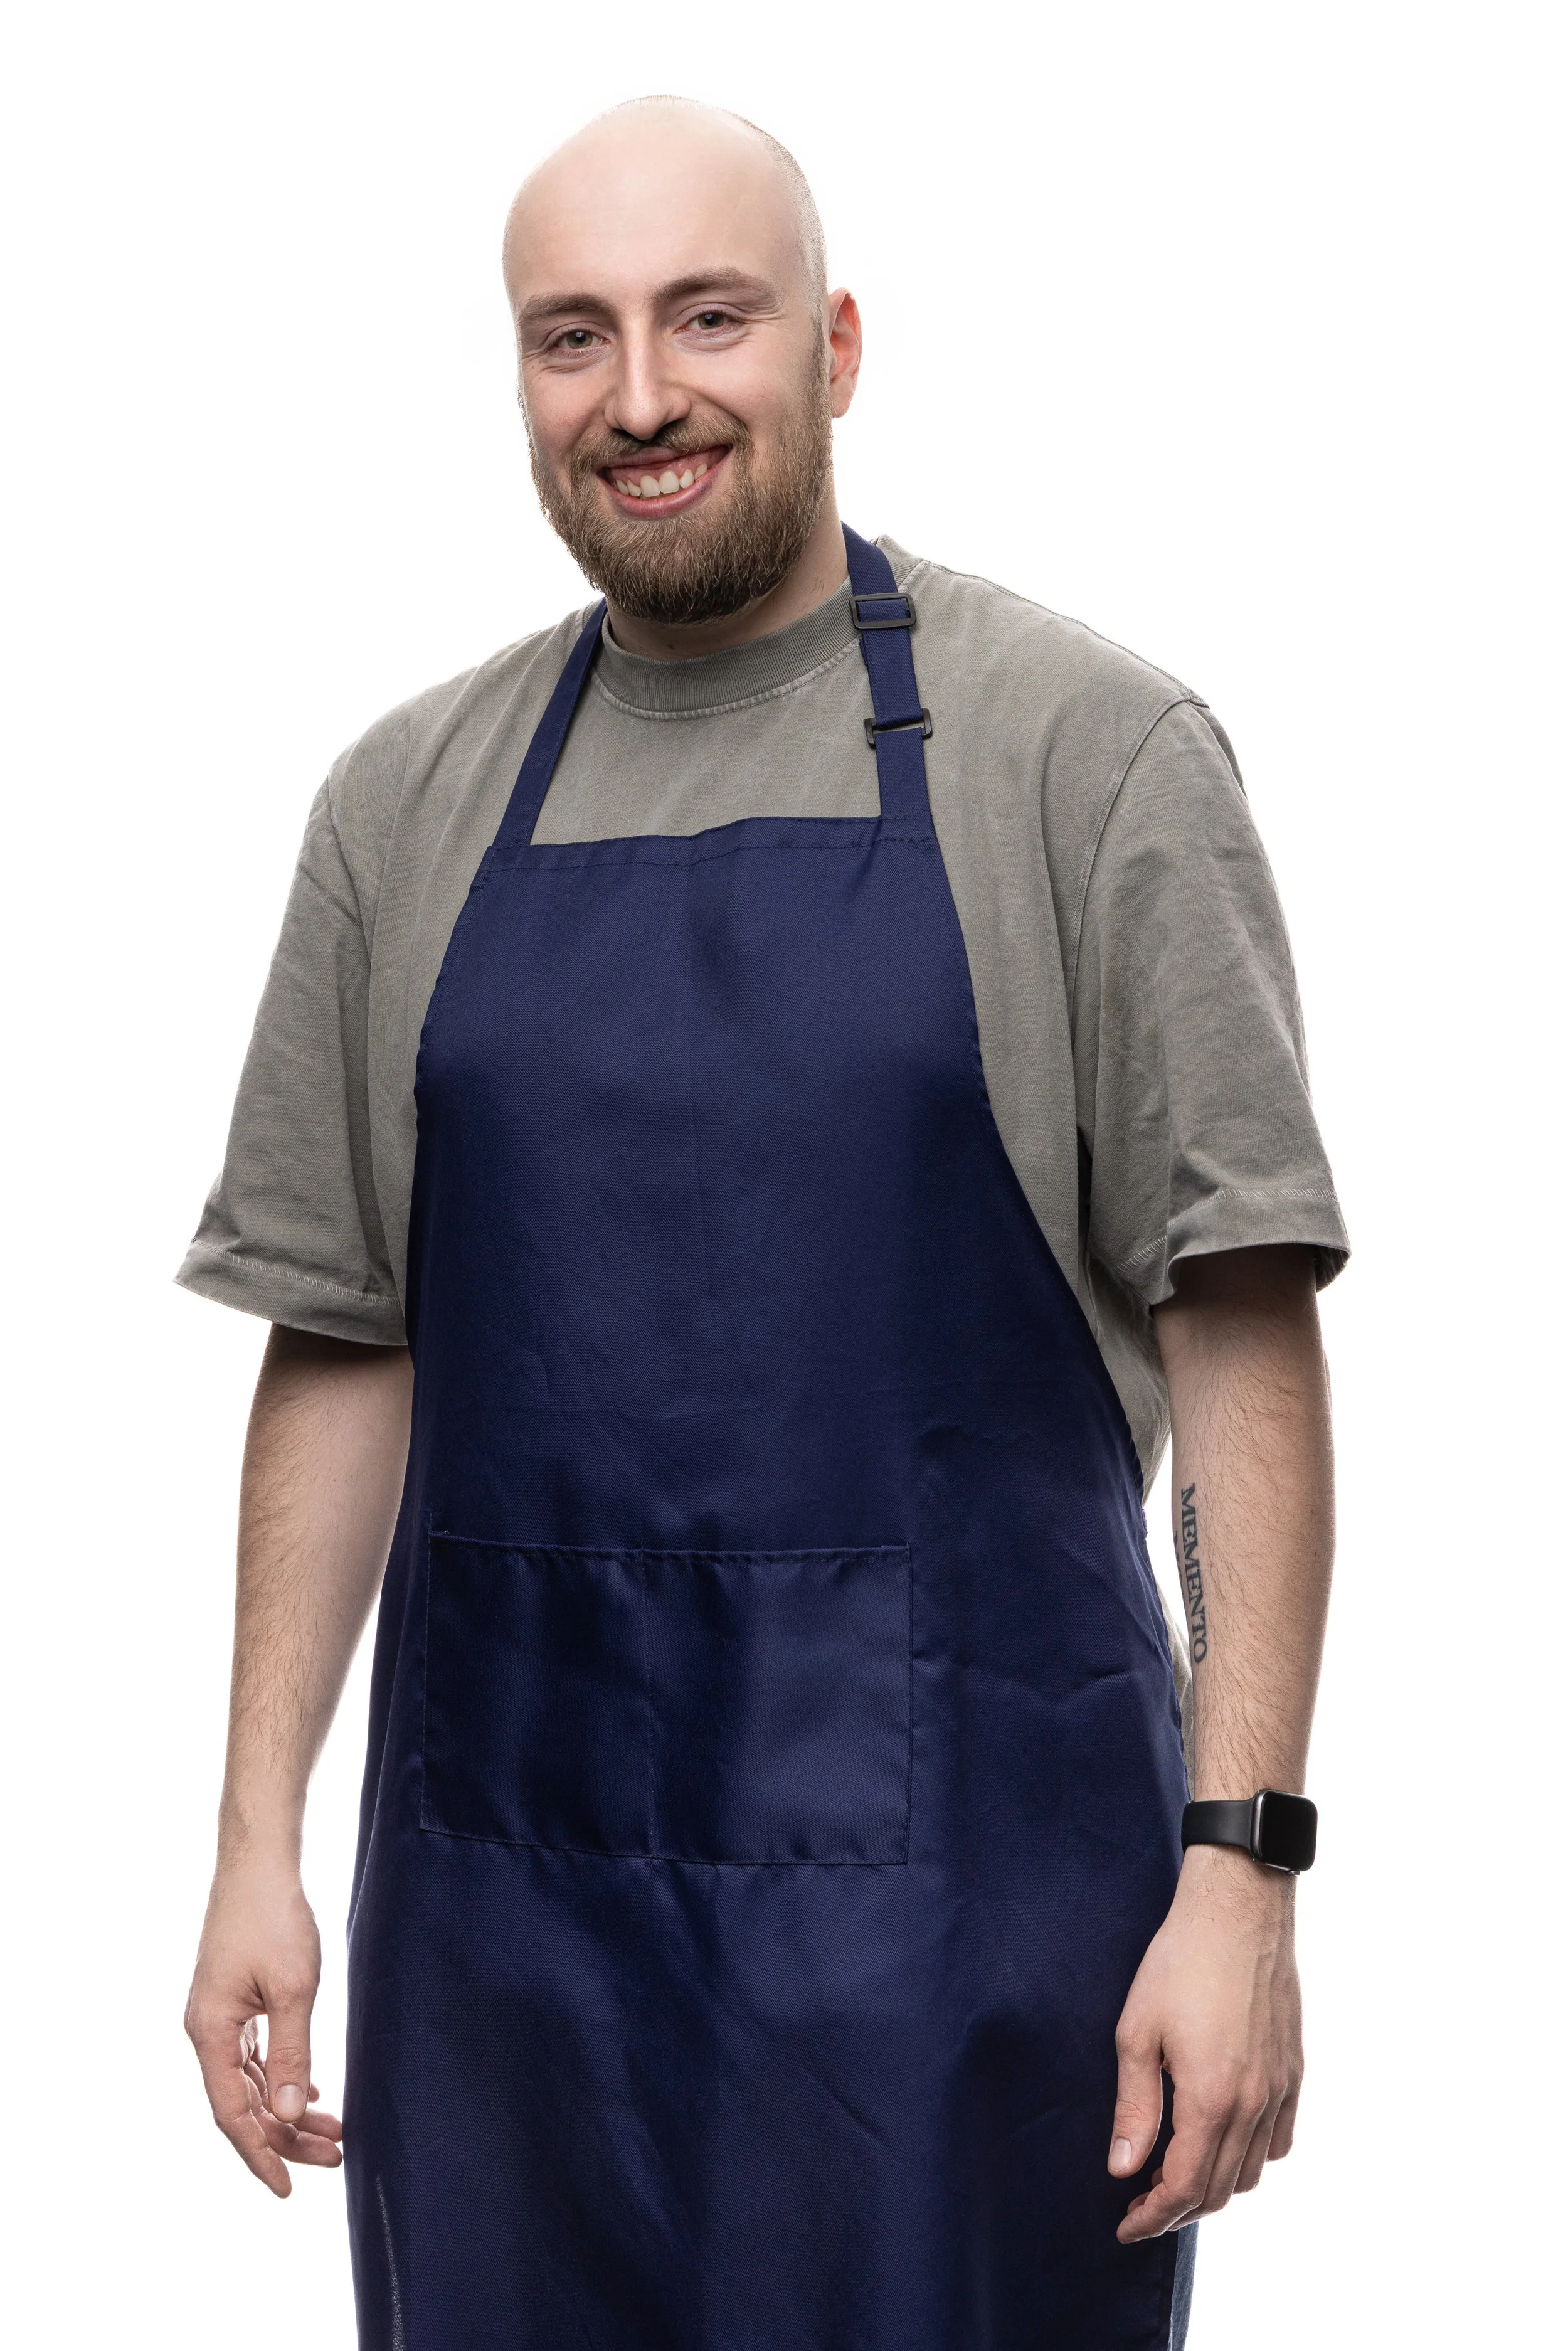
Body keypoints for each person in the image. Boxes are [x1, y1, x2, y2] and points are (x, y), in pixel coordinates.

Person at [181, 95, 1346, 2351]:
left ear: (833, 346)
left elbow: (1242, 1333)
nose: (640, 396)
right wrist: (254, 1839)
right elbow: (341, 1334)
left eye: (706, 319)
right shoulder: (404, 803)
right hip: (501, 1946)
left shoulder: (1083, 755)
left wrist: (1245, 1869)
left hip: (961, 1941)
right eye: (572, 337)